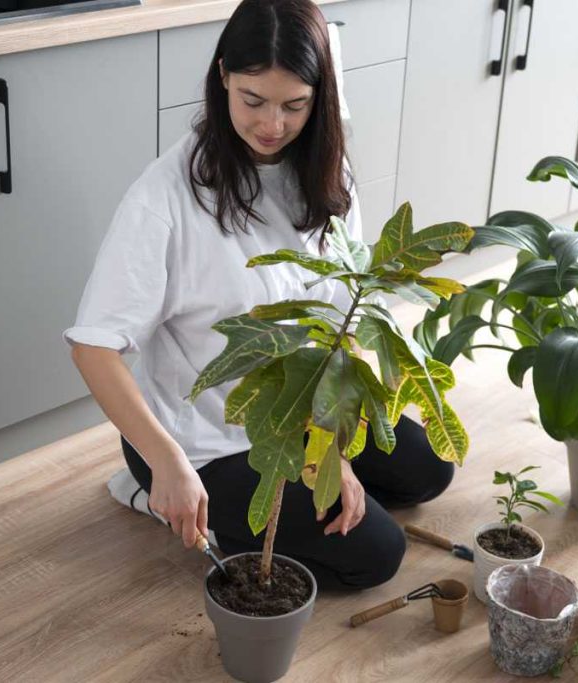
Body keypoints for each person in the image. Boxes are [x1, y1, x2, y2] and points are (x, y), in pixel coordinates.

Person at [64, 0, 453, 590]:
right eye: (253, 100)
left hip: (301, 414)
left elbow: (338, 319)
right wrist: (167, 461)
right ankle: (154, 490)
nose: (273, 124)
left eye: (294, 105)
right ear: (223, 76)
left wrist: (330, 450)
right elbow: (93, 348)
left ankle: (301, 493)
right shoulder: (163, 198)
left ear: (318, 96)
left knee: (428, 472)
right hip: (198, 439)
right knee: (377, 554)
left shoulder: (328, 174)